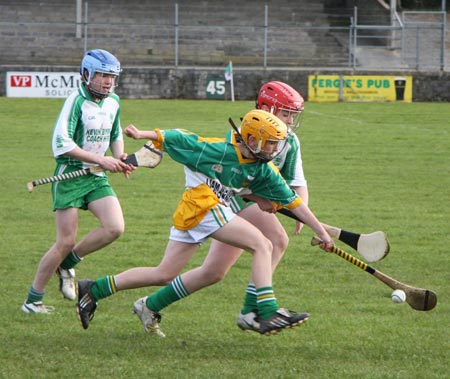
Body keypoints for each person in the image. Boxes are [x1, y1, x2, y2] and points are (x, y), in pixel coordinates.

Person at [76, 108, 334, 336]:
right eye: (270, 144)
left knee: (164, 273)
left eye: (277, 145)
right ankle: (266, 310)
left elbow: (294, 202)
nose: (274, 150)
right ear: (253, 139)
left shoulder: (264, 169)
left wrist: (321, 231)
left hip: (199, 210)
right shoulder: (218, 150)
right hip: (202, 205)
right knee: (262, 245)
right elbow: (179, 137)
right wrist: (144, 134)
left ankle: (93, 289)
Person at [21, 49, 134, 314]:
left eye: (111, 76)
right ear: (86, 74)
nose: (107, 81)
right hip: (70, 175)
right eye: (102, 75)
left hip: (96, 177)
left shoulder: (113, 101)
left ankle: (68, 264)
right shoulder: (76, 101)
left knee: (115, 227)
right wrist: (101, 159)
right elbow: (61, 144)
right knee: (65, 242)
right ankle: (32, 301)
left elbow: (115, 132)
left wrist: (120, 157)